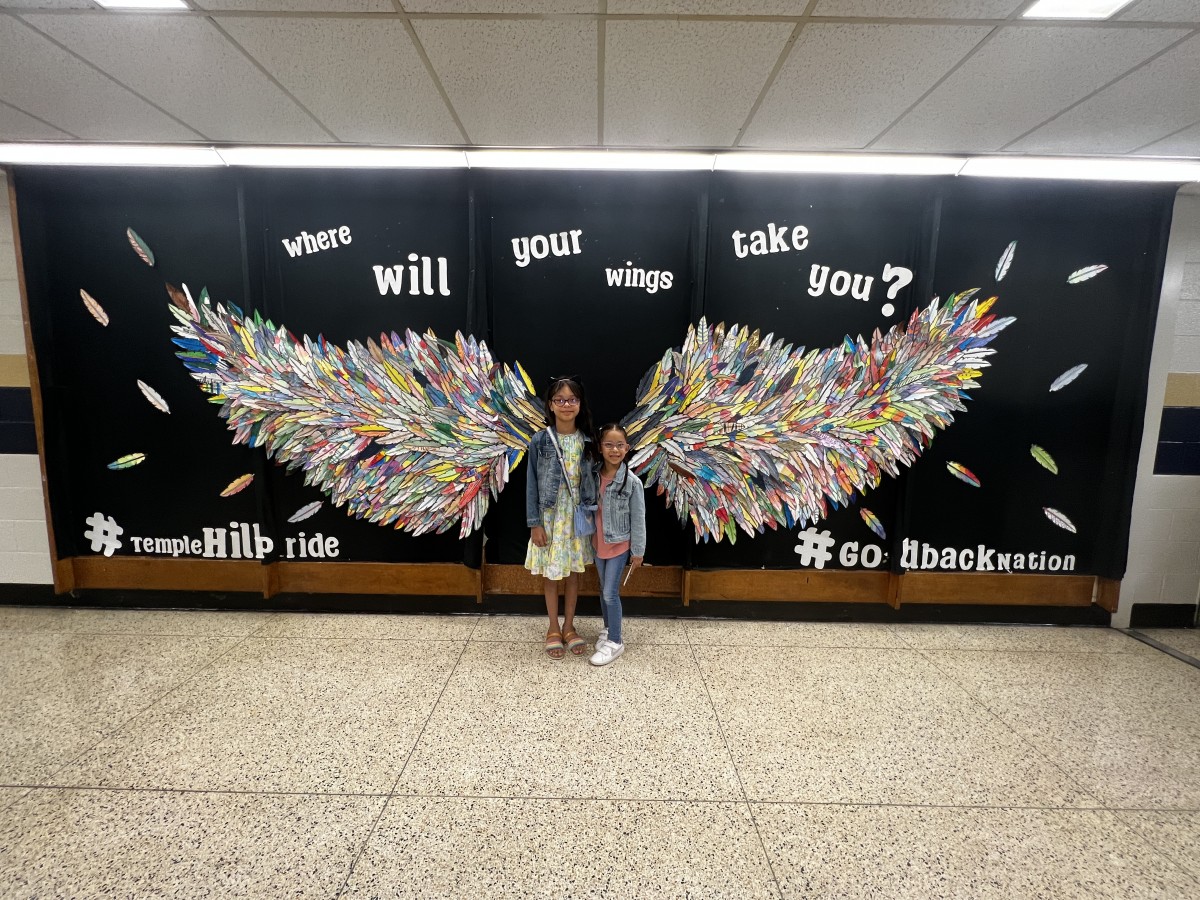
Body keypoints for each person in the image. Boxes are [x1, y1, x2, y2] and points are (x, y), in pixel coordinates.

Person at [525, 376, 597, 659]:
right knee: (552, 574)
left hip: (577, 518)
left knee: (573, 573)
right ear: (550, 406)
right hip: (550, 517)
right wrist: (535, 523)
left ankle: (569, 626)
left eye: (572, 400)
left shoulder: (588, 440)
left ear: (580, 404)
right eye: (560, 400)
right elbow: (531, 483)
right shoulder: (540, 440)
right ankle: (553, 627)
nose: (566, 405)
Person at [589, 423, 646, 666]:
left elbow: (638, 518)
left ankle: (616, 640)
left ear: (627, 448)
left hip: (619, 545)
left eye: (619, 445)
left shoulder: (631, 482)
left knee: (611, 593)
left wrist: (638, 552)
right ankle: (608, 627)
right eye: (609, 445)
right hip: (597, 542)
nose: (614, 450)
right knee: (603, 590)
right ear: (600, 448)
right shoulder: (592, 475)